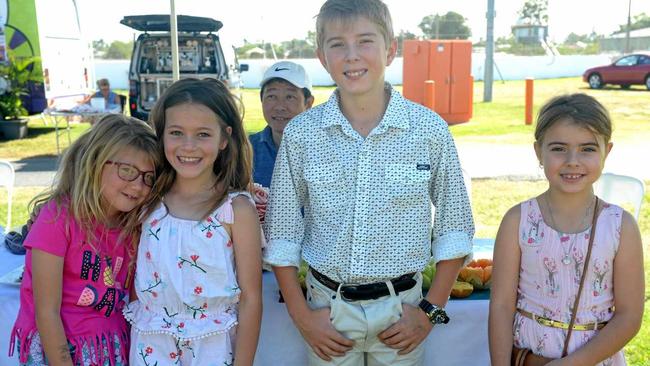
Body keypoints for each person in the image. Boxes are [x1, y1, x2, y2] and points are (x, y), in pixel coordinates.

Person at [263, 0, 474, 364]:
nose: (351, 55)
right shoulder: (302, 134)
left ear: (391, 49)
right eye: (337, 44)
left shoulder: (429, 130)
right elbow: (282, 235)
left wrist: (429, 312)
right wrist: (302, 317)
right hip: (326, 311)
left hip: (402, 311)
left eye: (365, 41)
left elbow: (455, 229)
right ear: (321, 55)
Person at [488, 93, 644, 366]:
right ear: (539, 151)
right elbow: (501, 307)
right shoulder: (517, 221)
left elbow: (629, 316)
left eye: (587, 149)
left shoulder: (621, 227)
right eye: (559, 148)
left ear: (607, 151)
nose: (573, 160)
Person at [123, 78, 262, 366]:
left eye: (202, 134)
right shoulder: (146, 200)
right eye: (176, 132)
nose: (188, 146)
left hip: (212, 349)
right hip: (150, 345)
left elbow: (251, 299)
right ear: (160, 135)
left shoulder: (236, 210)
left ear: (224, 138)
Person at [9, 114, 160, 366]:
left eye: (148, 177)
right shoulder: (57, 218)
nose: (138, 186)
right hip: (60, 349)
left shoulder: (135, 227)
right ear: (95, 163)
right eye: (127, 171)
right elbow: (46, 311)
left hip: (111, 347)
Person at [249, 60, 314, 188]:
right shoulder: (246, 149)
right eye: (272, 96)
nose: (280, 107)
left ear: (308, 103)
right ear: (261, 100)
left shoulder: (327, 149)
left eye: (290, 97)